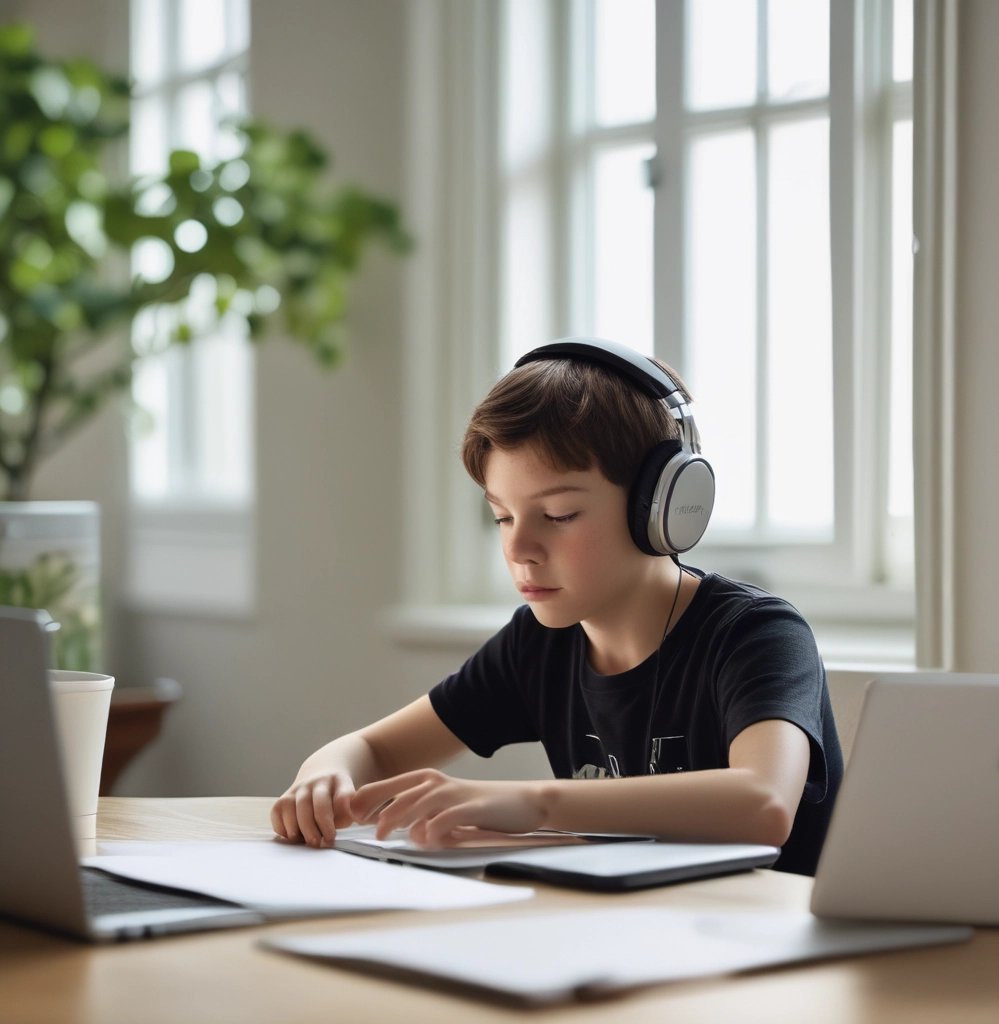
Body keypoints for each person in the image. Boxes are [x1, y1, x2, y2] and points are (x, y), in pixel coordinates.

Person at [271, 338, 843, 875]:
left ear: (662, 506)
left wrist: (534, 802)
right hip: (643, 937)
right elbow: (375, 748)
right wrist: (325, 775)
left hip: (774, 941)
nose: (518, 549)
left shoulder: (756, 634)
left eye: (560, 515)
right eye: (503, 516)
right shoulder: (537, 644)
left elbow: (764, 804)